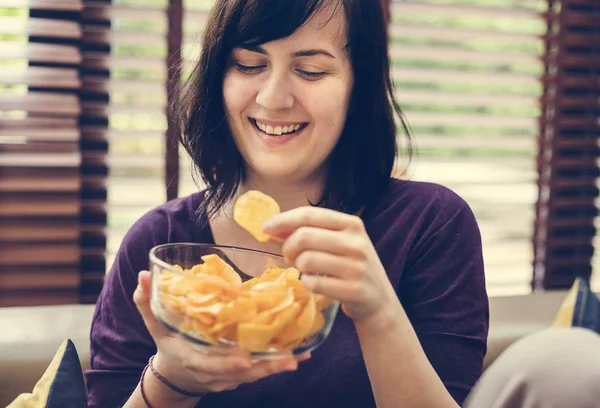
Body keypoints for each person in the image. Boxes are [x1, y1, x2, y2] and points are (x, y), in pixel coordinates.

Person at [85, 0, 489, 407]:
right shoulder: (159, 242)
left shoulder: (431, 225)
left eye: (310, 70)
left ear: (358, 85)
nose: (274, 98)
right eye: (247, 64)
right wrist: (172, 380)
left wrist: (378, 312)